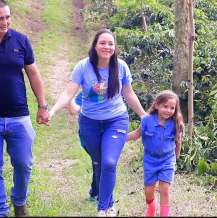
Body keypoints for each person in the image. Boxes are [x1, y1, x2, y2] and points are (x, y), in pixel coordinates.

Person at [47, 28, 146, 217]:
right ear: (95, 45)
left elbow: (129, 94)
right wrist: (52, 111)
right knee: (99, 162)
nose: (107, 47)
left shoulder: (121, 66)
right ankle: (109, 205)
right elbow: (68, 93)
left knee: (109, 162)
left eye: (110, 43)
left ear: (115, 47)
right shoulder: (83, 67)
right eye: (103, 43)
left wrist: (143, 115)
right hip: (89, 123)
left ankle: (102, 209)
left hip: (116, 120)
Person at [0, 0, 49, 217]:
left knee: (24, 164)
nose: (5, 22)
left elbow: (33, 72)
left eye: (8, 17)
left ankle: (19, 201)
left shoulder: (21, 41)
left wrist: (42, 105)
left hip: (18, 116)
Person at [126, 90, 184, 217]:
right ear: (156, 105)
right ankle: (152, 207)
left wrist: (176, 157)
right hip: (150, 160)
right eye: (165, 106)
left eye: (172, 108)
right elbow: (136, 134)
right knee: (149, 192)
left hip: (167, 159)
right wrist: (121, 137)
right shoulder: (146, 120)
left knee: (165, 189)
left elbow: (178, 141)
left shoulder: (175, 123)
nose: (168, 110)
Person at [67, 92, 99, 202]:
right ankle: (97, 194)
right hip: (88, 137)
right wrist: (68, 94)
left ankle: (96, 193)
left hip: (106, 135)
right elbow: (73, 109)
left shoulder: (111, 90)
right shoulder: (86, 92)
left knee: (102, 163)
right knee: (98, 163)